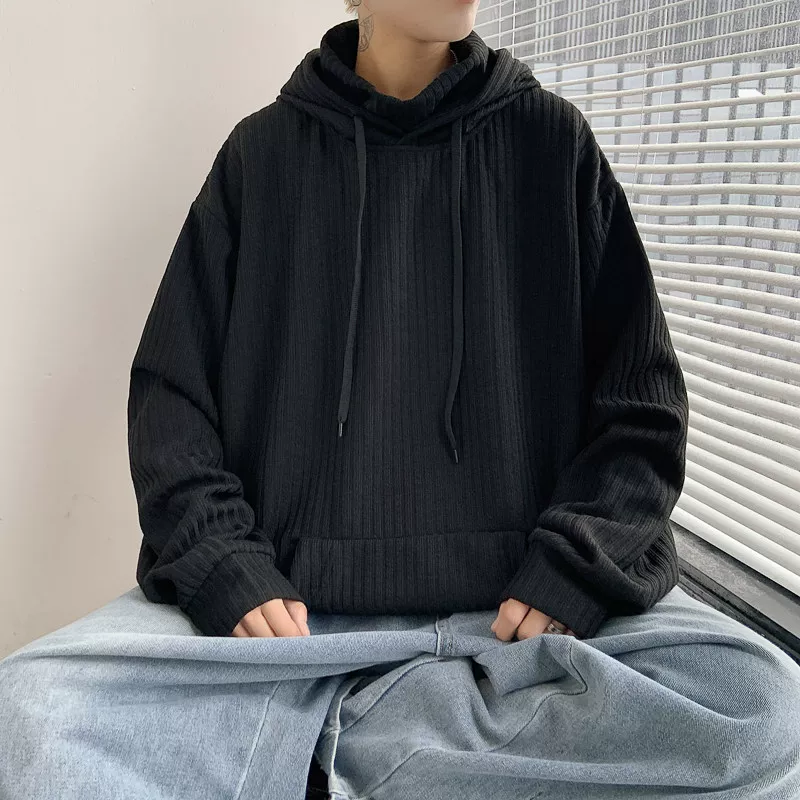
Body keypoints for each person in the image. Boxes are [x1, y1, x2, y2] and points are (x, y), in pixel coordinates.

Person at [1, 3, 800, 799]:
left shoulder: (553, 144)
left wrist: (574, 568)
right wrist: (226, 567)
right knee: (28, 713)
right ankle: (403, 742)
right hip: (295, 630)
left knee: (763, 711)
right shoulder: (262, 156)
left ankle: (324, 746)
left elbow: (643, 404)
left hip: (511, 626)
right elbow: (171, 401)